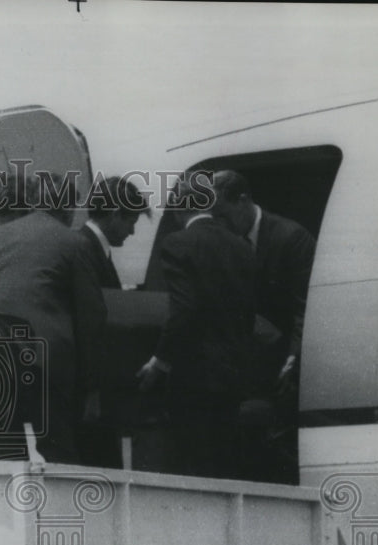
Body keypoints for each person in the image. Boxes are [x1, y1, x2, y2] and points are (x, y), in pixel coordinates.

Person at [0, 173, 106, 464]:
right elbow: (92, 320)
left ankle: (10, 509)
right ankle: (64, 507)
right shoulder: (73, 242)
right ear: (68, 208)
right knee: (58, 448)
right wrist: (92, 387)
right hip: (40, 355)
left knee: (2, 454)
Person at [136, 173, 256, 479]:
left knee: (193, 465)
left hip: (195, 376)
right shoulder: (242, 246)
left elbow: (184, 309)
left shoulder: (177, 243)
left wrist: (159, 362)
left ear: (178, 208)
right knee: (225, 463)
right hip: (235, 373)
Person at [212, 170, 316, 483]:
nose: (219, 224)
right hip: (245, 366)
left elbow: (305, 307)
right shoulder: (224, 240)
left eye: (224, 215)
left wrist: (294, 358)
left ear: (243, 201)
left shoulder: (290, 238)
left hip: (285, 364)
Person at [75, 176, 149, 468]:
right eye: (131, 222)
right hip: (91, 390)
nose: (131, 232)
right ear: (116, 214)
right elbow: (89, 323)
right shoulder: (85, 249)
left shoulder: (92, 247)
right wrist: (92, 389)